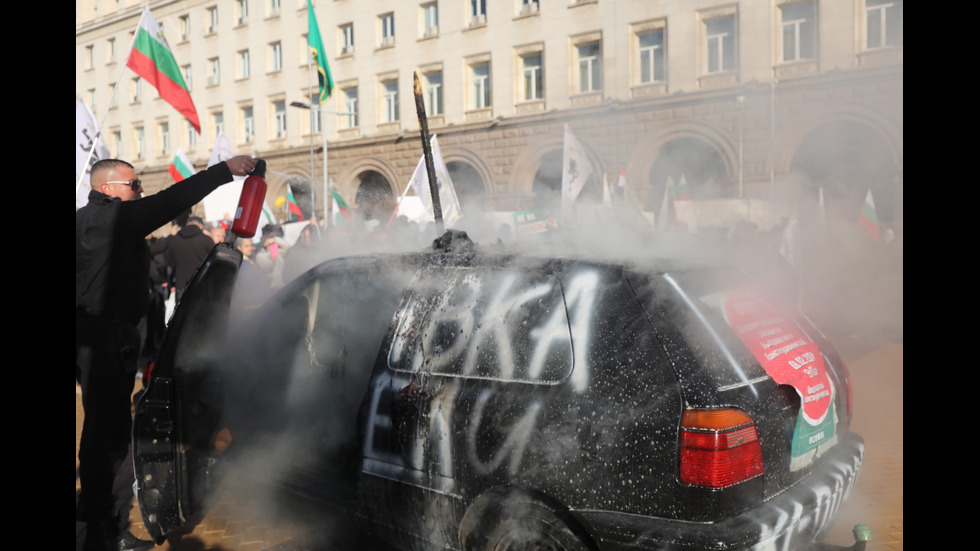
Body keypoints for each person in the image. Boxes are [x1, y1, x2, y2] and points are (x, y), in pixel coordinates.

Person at [76, 155, 257, 551]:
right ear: (107, 188)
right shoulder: (111, 219)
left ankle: (90, 505)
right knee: (108, 437)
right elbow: (170, 201)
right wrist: (225, 171)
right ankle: (103, 532)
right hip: (107, 342)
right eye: (133, 184)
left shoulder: (84, 221)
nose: (139, 191)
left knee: (98, 430)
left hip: (94, 339)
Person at [150, 215, 216, 303]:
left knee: (182, 315)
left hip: (181, 286)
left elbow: (169, 261)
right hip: (201, 285)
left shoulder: (174, 239)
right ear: (201, 226)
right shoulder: (207, 240)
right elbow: (214, 262)